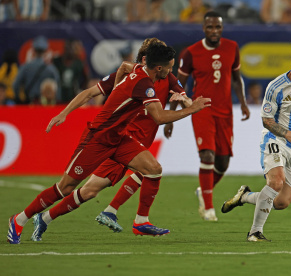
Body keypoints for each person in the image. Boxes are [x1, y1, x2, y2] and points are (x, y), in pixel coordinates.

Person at [7, 43, 211, 244]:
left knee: (153, 168)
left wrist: (117, 91)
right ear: (159, 68)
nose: (172, 70)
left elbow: (125, 66)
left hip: (119, 138)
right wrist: (192, 109)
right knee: (65, 188)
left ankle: (140, 221)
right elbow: (158, 117)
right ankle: (19, 219)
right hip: (98, 138)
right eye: (170, 67)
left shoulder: (141, 70)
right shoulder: (144, 84)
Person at [221, 43, 291, 241]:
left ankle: (244, 196)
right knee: (276, 182)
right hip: (276, 139)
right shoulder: (276, 86)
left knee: (281, 202)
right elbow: (267, 120)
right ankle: (255, 232)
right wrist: (286, 133)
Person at [174, 11, 250, 221]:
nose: (214, 31)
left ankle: (203, 190)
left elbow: (237, 78)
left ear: (222, 28)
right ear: (203, 28)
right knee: (207, 155)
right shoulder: (191, 53)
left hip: (225, 111)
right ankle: (208, 208)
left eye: (217, 27)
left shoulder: (232, 47)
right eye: (210, 27)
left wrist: (243, 103)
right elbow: (178, 85)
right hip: (202, 109)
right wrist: (172, 114)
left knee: (223, 162)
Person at [12, 36, 60, 104]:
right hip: (46, 105)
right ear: (46, 50)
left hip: (29, 103)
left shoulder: (25, 67)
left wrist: (19, 100)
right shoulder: (51, 69)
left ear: (33, 50)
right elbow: (57, 88)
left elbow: (16, 85)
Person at [53, 38, 89, 103]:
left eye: (71, 48)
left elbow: (86, 78)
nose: (69, 50)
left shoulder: (79, 63)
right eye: (67, 48)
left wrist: (80, 90)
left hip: (73, 95)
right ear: (64, 49)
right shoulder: (57, 61)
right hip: (59, 95)